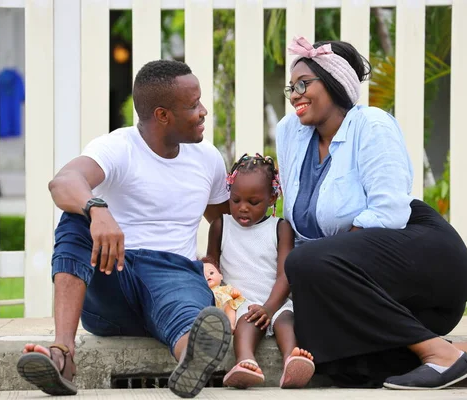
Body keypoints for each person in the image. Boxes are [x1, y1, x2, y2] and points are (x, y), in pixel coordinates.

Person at [276, 35, 467, 390]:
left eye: (304, 84)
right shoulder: (290, 132)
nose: (295, 95)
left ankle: (439, 355)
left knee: (304, 262)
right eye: (291, 87)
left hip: (424, 260)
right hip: (378, 298)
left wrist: (329, 270)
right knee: (328, 355)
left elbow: (388, 210)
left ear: (337, 83)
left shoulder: (371, 124)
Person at [16, 60, 233, 398]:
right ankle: (62, 355)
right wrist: (96, 209)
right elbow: (63, 183)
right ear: (162, 115)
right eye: (193, 105)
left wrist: (215, 261)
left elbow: (225, 222)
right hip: (112, 277)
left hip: (173, 274)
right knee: (75, 220)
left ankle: (191, 360)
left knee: (188, 308)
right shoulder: (118, 147)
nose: (203, 111)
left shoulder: (208, 158)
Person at [206, 153, 315, 390]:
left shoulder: (280, 228)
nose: (242, 208)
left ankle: (292, 360)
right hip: (241, 303)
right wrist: (207, 267)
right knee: (247, 322)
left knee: (287, 321)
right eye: (235, 201)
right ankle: (245, 362)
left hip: (275, 301)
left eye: (253, 202)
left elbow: (285, 274)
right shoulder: (221, 226)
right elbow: (211, 262)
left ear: (272, 198)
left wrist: (270, 307)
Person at [202, 259, 246, 331]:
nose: (208, 276)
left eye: (211, 273)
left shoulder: (224, 289)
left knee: (229, 305)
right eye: (204, 276)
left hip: (224, 306)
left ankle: (230, 324)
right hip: (211, 309)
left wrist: (234, 293)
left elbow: (232, 293)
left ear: (221, 276)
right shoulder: (204, 291)